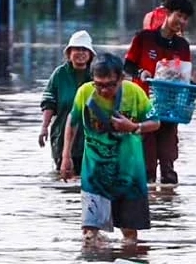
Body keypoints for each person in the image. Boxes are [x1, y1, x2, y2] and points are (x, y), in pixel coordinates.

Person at [61, 53, 161, 244]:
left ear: (121, 78)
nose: (104, 90)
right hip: (95, 173)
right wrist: (66, 156)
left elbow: (155, 122)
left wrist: (133, 127)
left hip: (129, 174)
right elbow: (72, 122)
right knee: (90, 236)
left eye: (110, 85)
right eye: (99, 84)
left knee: (130, 235)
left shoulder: (134, 93)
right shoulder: (84, 92)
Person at [125, 0, 195, 184]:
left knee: (168, 168)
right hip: (144, 108)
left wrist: (193, 85)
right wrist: (141, 73)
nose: (181, 22)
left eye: (185, 18)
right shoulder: (144, 38)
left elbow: (185, 75)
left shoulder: (183, 46)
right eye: (178, 16)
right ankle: (149, 210)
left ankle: (168, 209)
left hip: (169, 110)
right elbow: (127, 66)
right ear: (167, 14)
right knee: (146, 168)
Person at [39, 30, 95, 174]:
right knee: (63, 177)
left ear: (90, 55)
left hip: (89, 139)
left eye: (84, 49)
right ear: (69, 52)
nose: (80, 53)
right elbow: (49, 102)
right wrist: (44, 127)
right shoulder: (60, 74)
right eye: (77, 49)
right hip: (62, 135)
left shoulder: (96, 76)